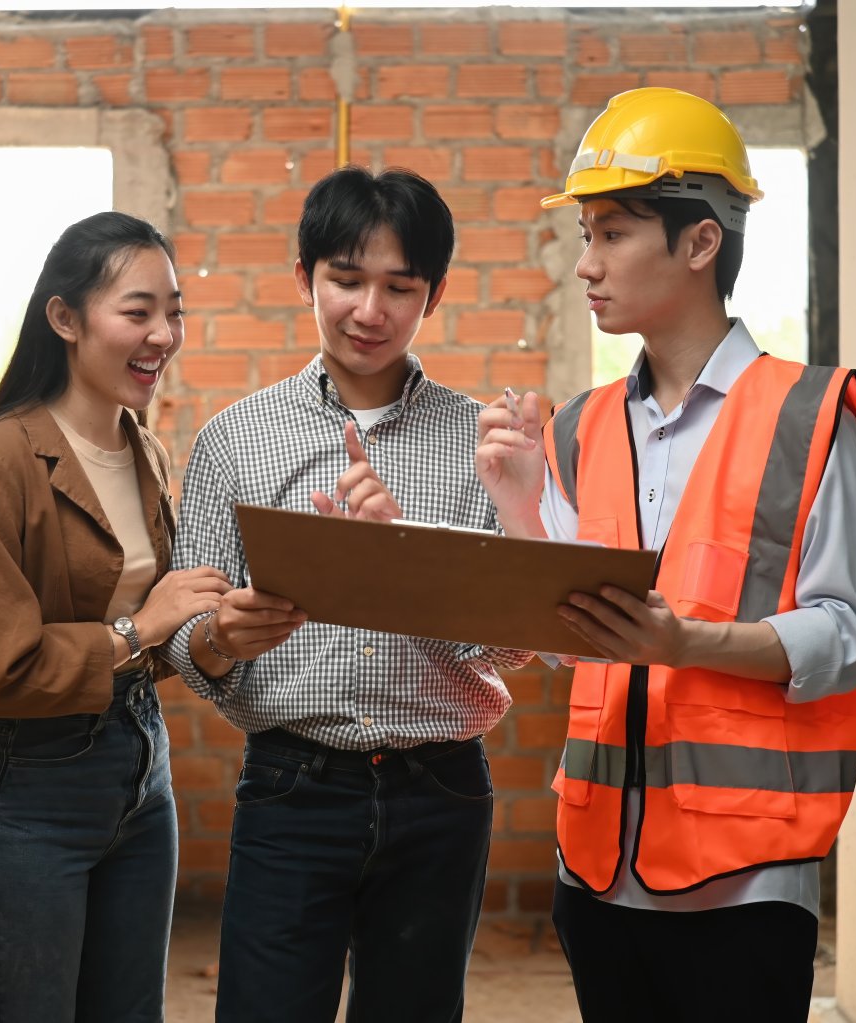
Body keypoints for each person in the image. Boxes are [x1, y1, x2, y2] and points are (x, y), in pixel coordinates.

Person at [474, 87, 856, 1022]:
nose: (585, 265)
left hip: (743, 879)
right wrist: (515, 502)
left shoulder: (812, 418)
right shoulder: (578, 428)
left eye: (612, 233)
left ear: (700, 242)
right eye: (585, 234)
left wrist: (687, 643)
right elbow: (568, 643)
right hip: (594, 870)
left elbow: (846, 634)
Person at [162, 166, 532, 1023]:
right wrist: (225, 634)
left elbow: (512, 645)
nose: (370, 310)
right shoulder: (234, 441)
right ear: (305, 278)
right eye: (345, 279)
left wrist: (406, 563)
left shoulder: (479, 445)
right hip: (293, 782)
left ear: (431, 295)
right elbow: (185, 645)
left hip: (440, 787)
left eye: (399, 287)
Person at [0, 211, 231, 1023]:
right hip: (31, 787)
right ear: (64, 318)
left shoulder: (145, 450)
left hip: (140, 769)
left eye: (175, 310)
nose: (162, 333)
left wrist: (219, 632)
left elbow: (159, 634)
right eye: (136, 311)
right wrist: (140, 629)